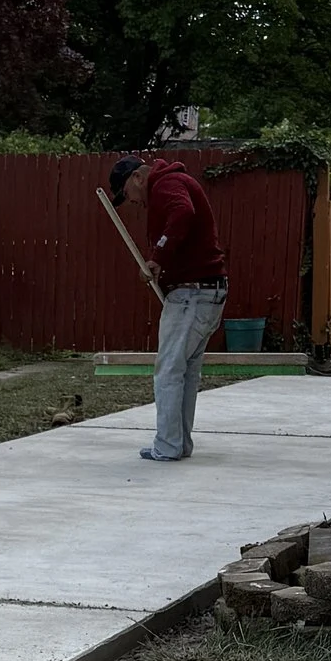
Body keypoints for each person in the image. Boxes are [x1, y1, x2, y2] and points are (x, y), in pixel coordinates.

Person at [110, 151, 227, 462]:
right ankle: (179, 443)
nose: (133, 201)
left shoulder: (166, 184)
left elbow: (183, 213)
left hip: (192, 294)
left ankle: (168, 445)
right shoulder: (176, 181)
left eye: (128, 193)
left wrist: (157, 257)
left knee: (168, 372)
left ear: (137, 177)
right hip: (207, 292)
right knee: (185, 372)